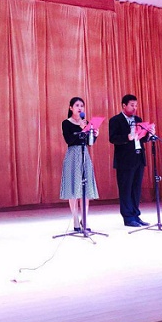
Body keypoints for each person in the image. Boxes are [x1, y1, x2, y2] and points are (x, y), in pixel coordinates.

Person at [108, 94, 155, 227]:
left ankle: (136, 215)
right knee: (125, 189)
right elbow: (113, 138)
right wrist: (127, 137)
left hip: (138, 157)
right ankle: (128, 218)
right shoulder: (115, 120)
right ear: (124, 105)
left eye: (136, 105)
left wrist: (149, 134)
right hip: (124, 160)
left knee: (136, 189)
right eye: (132, 105)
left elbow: (142, 138)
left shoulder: (138, 119)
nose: (135, 108)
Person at [60, 97, 100, 232]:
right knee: (73, 188)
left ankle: (85, 219)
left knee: (85, 188)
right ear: (71, 108)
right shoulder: (66, 123)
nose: (80, 108)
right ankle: (75, 220)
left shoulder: (86, 123)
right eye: (77, 105)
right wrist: (82, 130)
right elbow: (69, 140)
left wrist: (94, 135)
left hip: (84, 155)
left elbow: (89, 143)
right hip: (72, 155)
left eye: (82, 106)